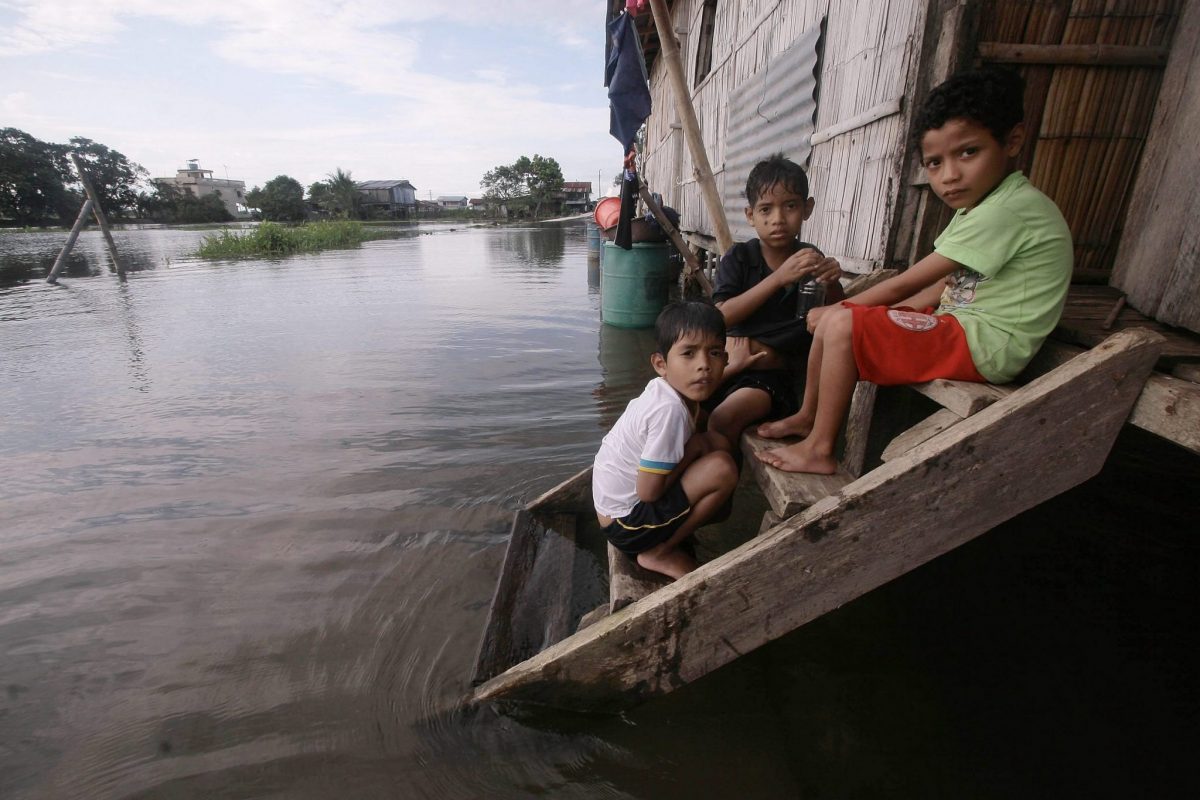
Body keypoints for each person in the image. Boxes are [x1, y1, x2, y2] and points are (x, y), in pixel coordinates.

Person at [756, 67, 1073, 474]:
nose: (950, 175)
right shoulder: (981, 207)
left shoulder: (1009, 210)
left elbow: (908, 282)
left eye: (968, 153)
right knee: (849, 319)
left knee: (841, 322)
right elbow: (945, 284)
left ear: (1012, 141)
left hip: (987, 344)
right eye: (935, 163)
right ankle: (807, 416)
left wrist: (846, 311)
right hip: (963, 325)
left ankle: (819, 447)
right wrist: (867, 316)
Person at [704, 154, 845, 448]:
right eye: (766, 209)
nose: (778, 219)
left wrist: (831, 283)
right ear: (750, 215)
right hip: (729, 366)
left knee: (723, 419)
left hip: (772, 377)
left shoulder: (810, 258)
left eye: (790, 206)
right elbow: (720, 318)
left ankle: (720, 482)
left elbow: (831, 316)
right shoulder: (739, 258)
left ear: (807, 209)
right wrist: (779, 278)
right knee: (685, 414)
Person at [592, 301, 740, 579]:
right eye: (689, 353)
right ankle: (659, 551)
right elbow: (648, 492)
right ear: (661, 364)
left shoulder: (667, 390)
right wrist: (696, 447)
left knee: (715, 443)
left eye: (715, 353)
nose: (704, 366)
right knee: (722, 467)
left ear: (726, 361)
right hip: (626, 526)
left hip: (613, 508)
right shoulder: (668, 410)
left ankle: (678, 529)